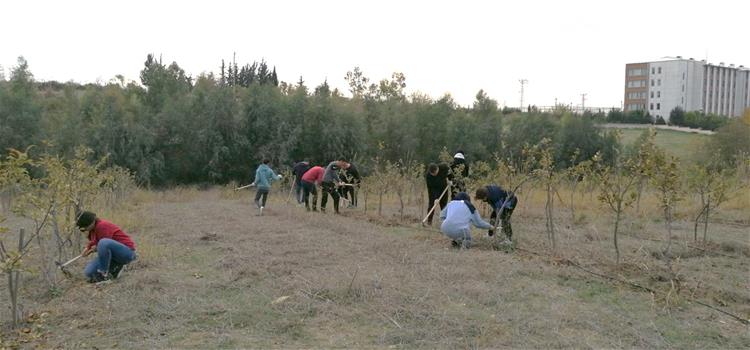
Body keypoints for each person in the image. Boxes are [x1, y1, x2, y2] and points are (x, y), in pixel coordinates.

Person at [77, 211, 136, 283]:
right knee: (88, 272)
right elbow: (94, 243)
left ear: (91, 222)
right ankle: (117, 268)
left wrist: (93, 249)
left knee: (103, 242)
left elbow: (103, 245)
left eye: (84, 228)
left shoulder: (102, 225)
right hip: (113, 257)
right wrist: (87, 249)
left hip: (127, 253)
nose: (84, 230)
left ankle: (104, 273)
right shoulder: (92, 230)